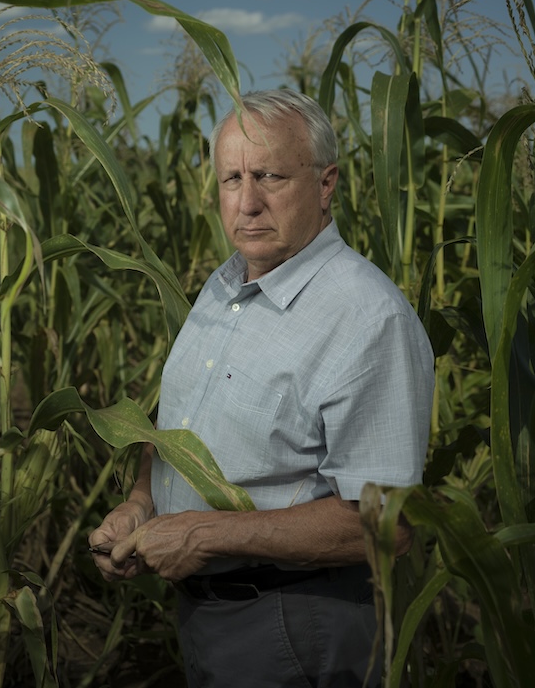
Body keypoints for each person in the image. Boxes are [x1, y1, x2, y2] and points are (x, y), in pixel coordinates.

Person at [89, 89, 435, 687]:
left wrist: (206, 534)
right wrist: (143, 501)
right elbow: (180, 423)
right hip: (205, 614)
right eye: (231, 179)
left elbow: (387, 525)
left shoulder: (366, 320)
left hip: (292, 623)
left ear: (326, 184)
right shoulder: (223, 286)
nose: (246, 203)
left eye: (269, 176)